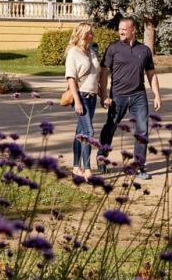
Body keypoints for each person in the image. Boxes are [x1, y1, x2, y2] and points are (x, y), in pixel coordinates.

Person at [99, 16, 162, 180]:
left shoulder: (144, 50)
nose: (121, 31)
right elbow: (104, 72)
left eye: (124, 29)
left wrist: (156, 94)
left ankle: (139, 166)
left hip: (138, 96)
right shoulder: (113, 48)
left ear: (133, 30)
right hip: (117, 96)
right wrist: (104, 94)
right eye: (119, 29)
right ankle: (102, 158)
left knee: (142, 130)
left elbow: (151, 74)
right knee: (111, 127)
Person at [65, 22, 100, 179]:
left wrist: (103, 95)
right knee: (89, 132)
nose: (92, 35)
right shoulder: (73, 52)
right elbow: (71, 78)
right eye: (89, 33)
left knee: (80, 132)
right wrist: (77, 101)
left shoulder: (91, 52)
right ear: (80, 35)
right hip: (82, 97)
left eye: (92, 33)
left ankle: (75, 167)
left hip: (92, 97)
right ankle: (87, 169)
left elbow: (96, 75)